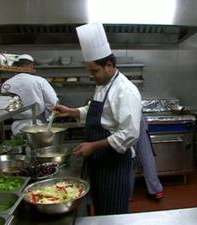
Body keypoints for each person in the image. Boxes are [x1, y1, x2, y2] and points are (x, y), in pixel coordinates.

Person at [53, 22, 142, 215]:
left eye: (94, 71)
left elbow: (129, 134)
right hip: (101, 160)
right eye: (90, 71)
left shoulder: (125, 91)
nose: (92, 76)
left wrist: (93, 146)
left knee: (114, 213)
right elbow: (96, 111)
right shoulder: (103, 84)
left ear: (109, 65)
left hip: (115, 162)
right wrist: (71, 111)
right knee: (102, 208)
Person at [1, 54, 58, 134]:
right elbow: (53, 102)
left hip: (16, 125)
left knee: (20, 144)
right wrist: (48, 117)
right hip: (37, 123)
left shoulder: (7, 84)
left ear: (15, 67)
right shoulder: (39, 81)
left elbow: (5, 105)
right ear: (31, 66)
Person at [132, 116, 164, 199]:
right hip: (138, 118)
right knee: (146, 154)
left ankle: (126, 194)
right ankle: (156, 189)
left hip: (124, 120)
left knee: (128, 157)